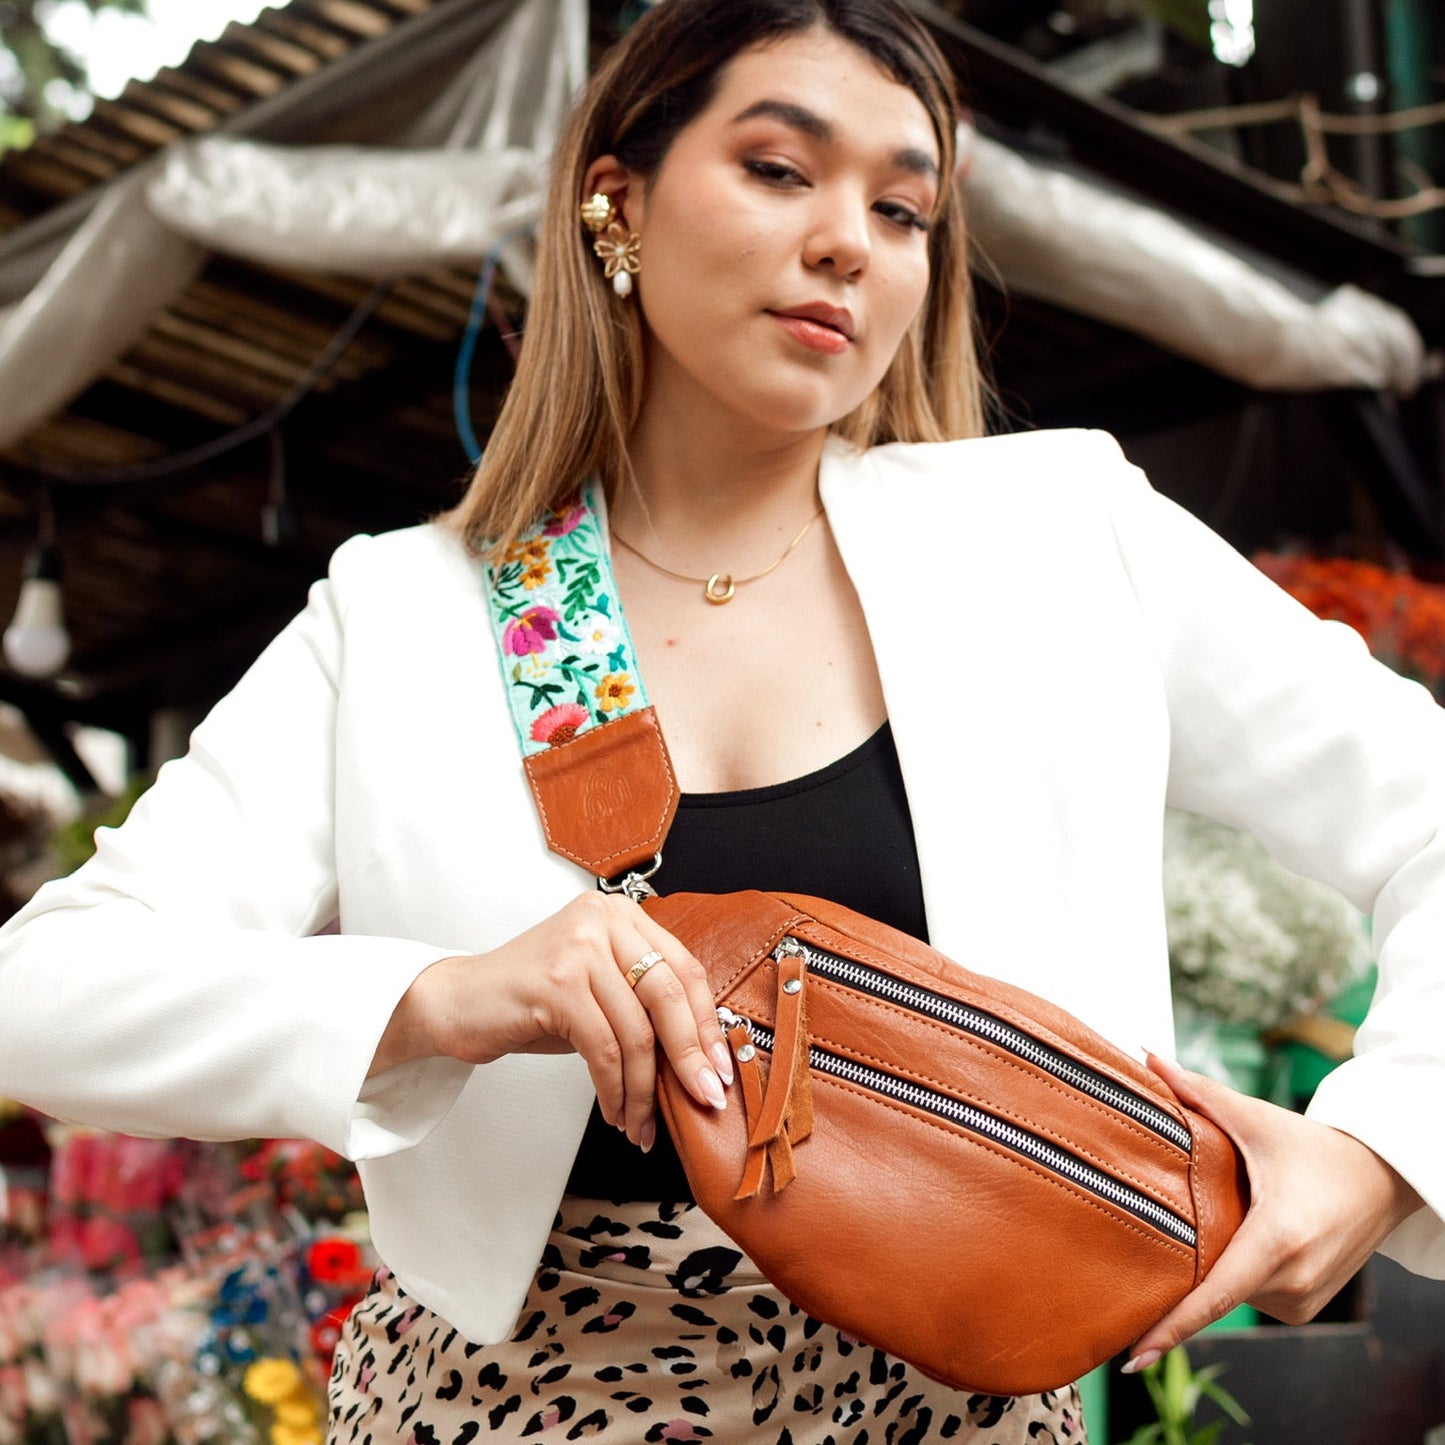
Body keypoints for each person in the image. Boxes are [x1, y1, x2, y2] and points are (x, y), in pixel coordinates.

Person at [0, 0, 1440, 1440]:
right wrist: (442, 996)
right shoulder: (412, 614)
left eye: (901, 206)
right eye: (776, 168)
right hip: (516, 1404)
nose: (846, 240)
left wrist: (1380, 1150)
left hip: (958, 1406)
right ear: (613, 203)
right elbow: (45, 988)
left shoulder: (1057, 540)